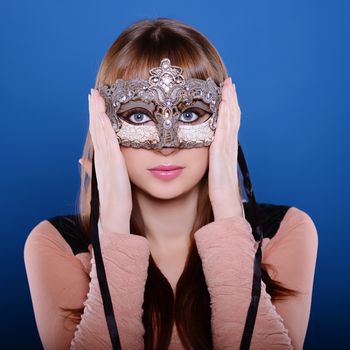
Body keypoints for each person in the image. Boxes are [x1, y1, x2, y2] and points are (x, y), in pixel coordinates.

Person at [23, 17, 318, 350]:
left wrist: (228, 211)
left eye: (190, 113)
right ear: (103, 124)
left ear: (225, 120)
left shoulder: (285, 232)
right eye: (138, 114)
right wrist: (115, 224)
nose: (166, 142)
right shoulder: (58, 245)